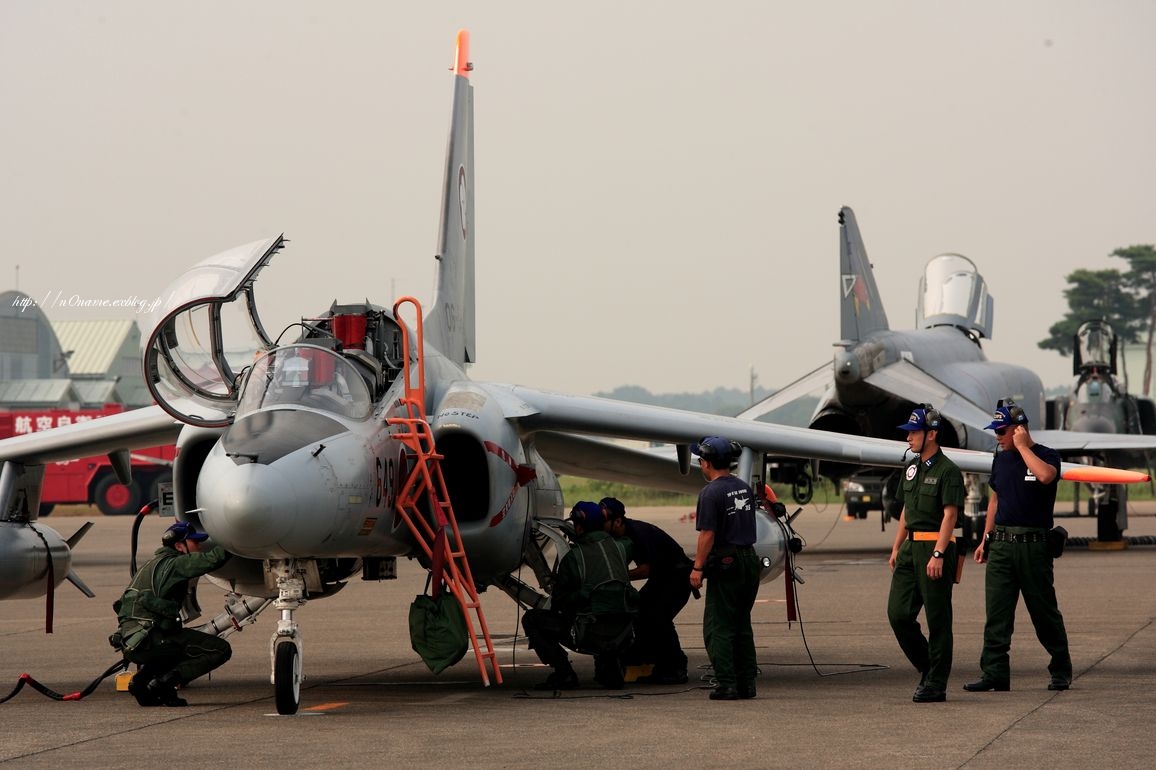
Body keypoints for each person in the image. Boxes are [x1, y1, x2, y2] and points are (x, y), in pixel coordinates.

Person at [964, 400, 1072, 693]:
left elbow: (1046, 476)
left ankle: (1061, 669)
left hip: (1033, 546)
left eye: (1002, 430)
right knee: (997, 614)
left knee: (1043, 611)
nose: (997, 436)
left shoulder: (1046, 455)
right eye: (996, 430)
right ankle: (995, 673)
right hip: (1002, 545)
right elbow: (995, 500)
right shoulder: (1001, 458)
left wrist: (1024, 447)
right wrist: (986, 539)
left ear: (1019, 429)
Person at [886, 406, 965, 703]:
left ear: (931, 434)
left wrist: (938, 553)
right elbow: (906, 509)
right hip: (910, 548)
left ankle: (936, 683)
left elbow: (950, 515)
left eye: (914, 432)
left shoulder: (948, 471)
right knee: (898, 614)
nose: (909, 437)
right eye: (908, 432)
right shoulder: (912, 468)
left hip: (935, 548)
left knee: (938, 619)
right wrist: (896, 546)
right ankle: (929, 667)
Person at [111, 521, 232, 707]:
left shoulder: (149, 565)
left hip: (132, 644)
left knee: (173, 642)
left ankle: (141, 682)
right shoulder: (176, 564)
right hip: (152, 641)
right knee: (220, 649)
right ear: (179, 546)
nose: (199, 546)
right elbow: (214, 559)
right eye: (194, 542)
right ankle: (166, 683)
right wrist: (237, 539)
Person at [521, 501, 639, 691]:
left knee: (533, 620)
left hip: (589, 633)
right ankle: (609, 666)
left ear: (578, 527)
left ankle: (564, 673)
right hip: (624, 632)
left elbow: (560, 601)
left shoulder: (574, 558)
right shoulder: (624, 548)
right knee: (608, 610)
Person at [688, 436, 761, 701]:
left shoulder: (711, 493)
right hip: (749, 560)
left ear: (706, 462)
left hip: (727, 563)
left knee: (718, 626)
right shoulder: (742, 487)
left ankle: (727, 684)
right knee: (741, 623)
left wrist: (697, 568)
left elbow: (707, 534)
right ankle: (747, 683)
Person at [600, 496, 694, 685]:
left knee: (658, 618)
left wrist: (617, 577)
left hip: (677, 578)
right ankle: (649, 660)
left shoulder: (638, 534)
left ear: (617, 521)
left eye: (603, 522)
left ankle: (676, 668)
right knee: (640, 611)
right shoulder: (623, 534)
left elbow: (646, 569)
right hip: (663, 578)